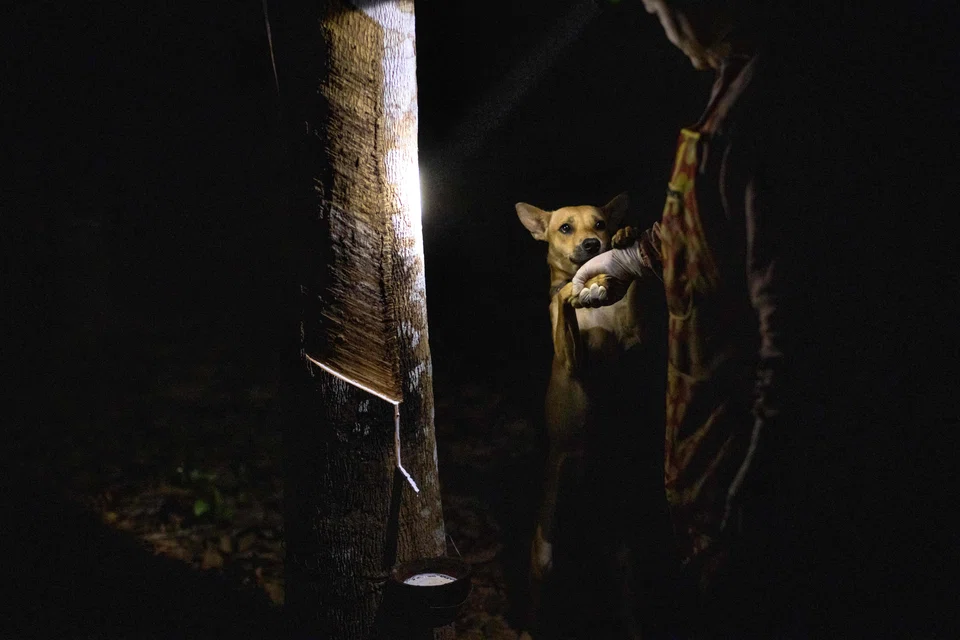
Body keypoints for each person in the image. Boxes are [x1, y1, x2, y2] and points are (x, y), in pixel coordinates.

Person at [569, 0, 834, 636]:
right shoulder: (732, 83)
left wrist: (758, 478)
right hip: (708, 440)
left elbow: (794, 328)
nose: (657, 21)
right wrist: (630, 257)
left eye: (660, 6)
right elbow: (701, 224)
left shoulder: (767, 111)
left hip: (740, 448)